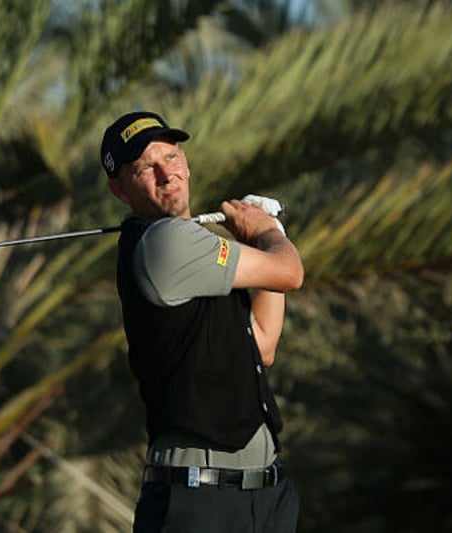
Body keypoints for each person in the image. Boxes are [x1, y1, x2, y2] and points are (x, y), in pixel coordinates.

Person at [100, 110, 304, 532]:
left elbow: (262, 346)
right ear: (119, 190)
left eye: (171, 157)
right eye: (144, 168)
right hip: (198, 499)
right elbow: (291, 273)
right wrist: (269, 233)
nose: (165, 174)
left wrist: (260, 234)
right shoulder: (165, 243)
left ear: (186, 163)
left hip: (265, 492)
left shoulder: (199, 249)